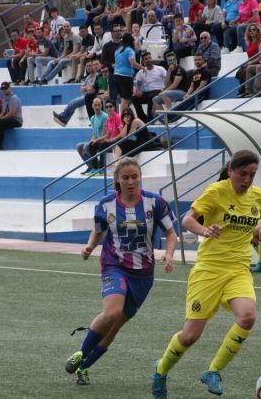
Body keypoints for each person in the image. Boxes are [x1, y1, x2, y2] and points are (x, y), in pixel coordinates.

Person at [151, 149, 261, 399]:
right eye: (242, 174)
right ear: (230, 171)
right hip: (209, 270)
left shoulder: (258, 196)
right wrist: (205, 230)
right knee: (190, 335)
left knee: (248, 316)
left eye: (252, 175)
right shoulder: (216, 191)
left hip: (238, 270)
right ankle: (161, 370)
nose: (247, 180)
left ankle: (213, 371)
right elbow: (188, 220)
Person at [64, 158, 177, 386]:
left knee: (116, 325)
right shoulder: (106, 204)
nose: (130, 181)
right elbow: (98, 231)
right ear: (117, 179)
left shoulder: (155, 202)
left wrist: (169, 254)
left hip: (143, 273)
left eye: (134, 177)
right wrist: (89, 246)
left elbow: (172, 233)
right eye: (125, 177)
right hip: (114, 265)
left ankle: (84, 368)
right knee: (112, 313)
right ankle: (81, 353)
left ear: (140, 177)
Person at [77, 97, 110, 173]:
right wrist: (88, 143)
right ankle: (91, 166)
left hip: (103, 141)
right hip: (97, 141)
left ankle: (97, 168)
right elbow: (94, 134)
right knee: (79, 146)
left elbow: (104, 135)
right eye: (95, 105)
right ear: (92, 106)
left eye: (99, 105)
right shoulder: (92, 118)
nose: (97, 107)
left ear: (101, 106)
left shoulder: (105, 116)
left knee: (90, 145)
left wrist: (91, 143)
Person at [132, 51, 167, 123]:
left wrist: (165, 89)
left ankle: (150, 119)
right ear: (143, 61)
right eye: (146, 59)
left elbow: (167, 80)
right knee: (134, 98)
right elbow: (138, 85)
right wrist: (138, 91)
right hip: (148, 93)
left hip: (159, 91)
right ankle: (143, 118)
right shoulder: (141, 72)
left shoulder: (160, 69)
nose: (148, 60)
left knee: (152, 96)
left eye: (149, 58)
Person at [114, 32, 143, 114]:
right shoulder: (129, 50)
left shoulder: (117, 51)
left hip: (116, 75)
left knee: (124, 99)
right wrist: (143, 68)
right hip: (125, 76)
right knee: (125, 100)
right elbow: (133, 63)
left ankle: (124, 117)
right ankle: (122, 119)